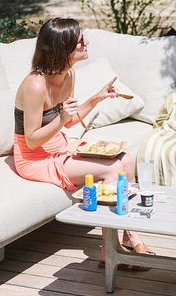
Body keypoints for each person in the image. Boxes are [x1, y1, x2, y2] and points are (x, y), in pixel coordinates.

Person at [13, 18, 152, 270]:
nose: (85, 43)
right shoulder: (35, 84)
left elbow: (68, 122)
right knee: (112, 169)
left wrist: (97, 98)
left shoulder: (68, 75)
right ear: (61, 47)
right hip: (35, 159)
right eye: (79, 41)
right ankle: (112, 249)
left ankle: (127, 239)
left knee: (126, 159)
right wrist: (62, 119)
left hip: (60, 146)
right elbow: (32, 140)